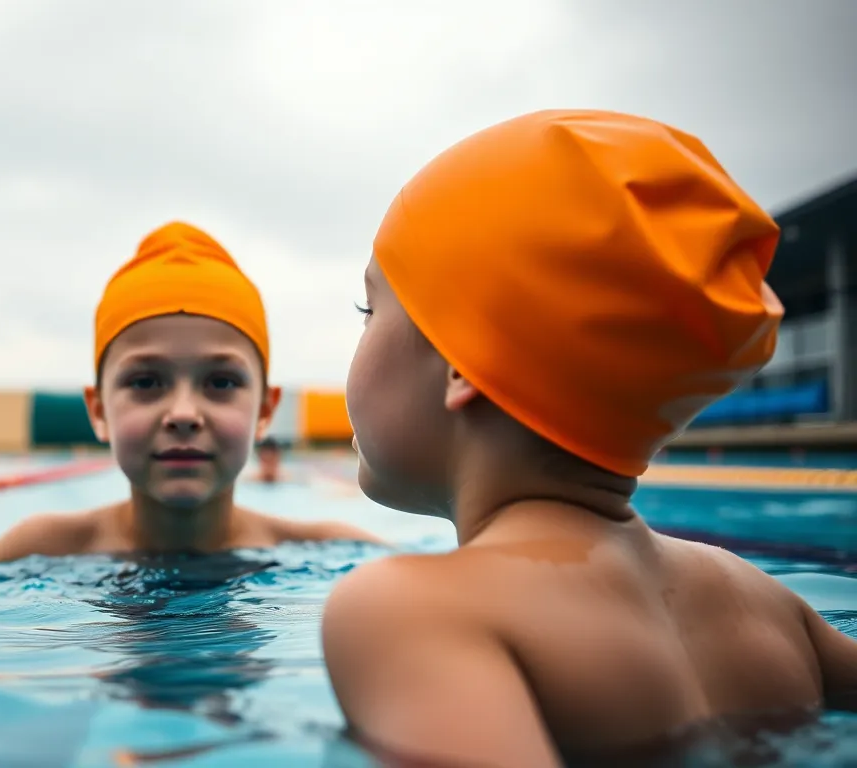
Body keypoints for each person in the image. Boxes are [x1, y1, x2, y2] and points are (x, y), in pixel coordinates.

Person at [320, 109, 857, 767]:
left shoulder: (406, 610)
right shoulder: (764, 604)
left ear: (465, 361)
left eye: (369, 309)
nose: (360, 332)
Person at [0, 222, 380, 564]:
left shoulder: (338, 552)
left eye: (220, 383)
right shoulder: (38, 552)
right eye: (146, 382)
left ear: (264, 410)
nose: (184, 413)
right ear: (98, 410)